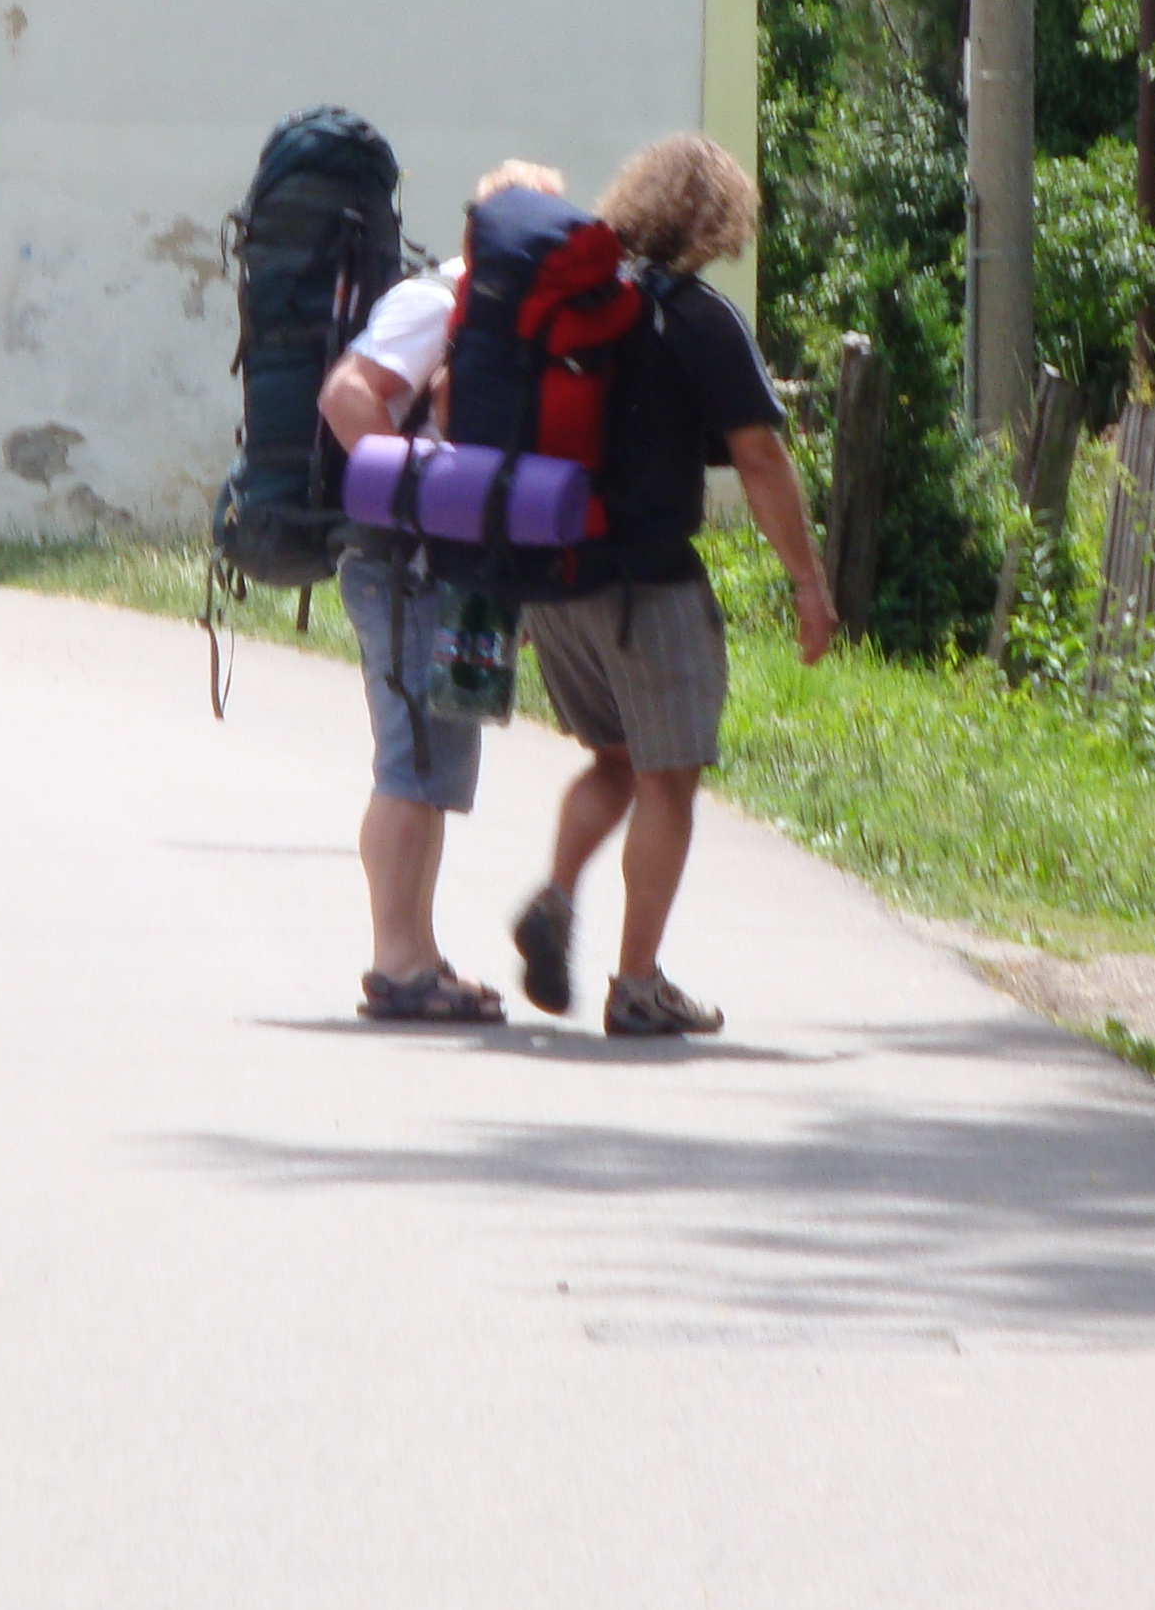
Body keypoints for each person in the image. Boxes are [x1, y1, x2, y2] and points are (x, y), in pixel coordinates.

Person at [511, 136, 837, 1038]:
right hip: (647, 585)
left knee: (615, 761)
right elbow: (760, 457)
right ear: (717, 219)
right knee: (667, 782)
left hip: (557, 576)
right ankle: (638, 985)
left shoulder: (571, 303)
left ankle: (556, 896)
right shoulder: (695, 317)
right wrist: (807, 584)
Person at [312, 159, 566, 1026]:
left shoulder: (497, 312)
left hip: (451, 570)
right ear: (479, 232)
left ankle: (417, 956)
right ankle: (398, 963)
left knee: (437, 767)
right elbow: (348, 397)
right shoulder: (437, 302)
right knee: (411, 762)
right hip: (405, 566)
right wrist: (423, 508)